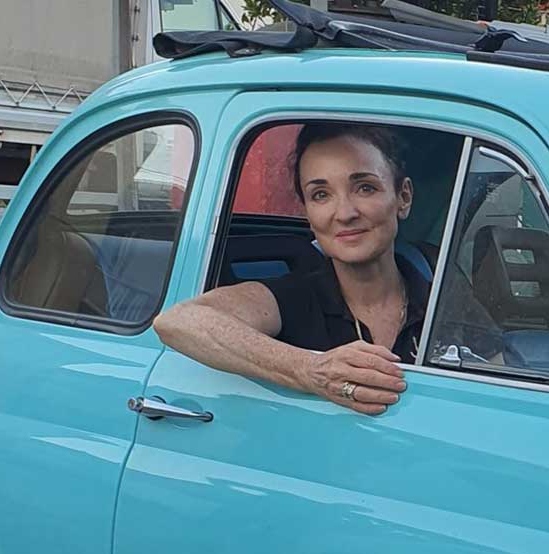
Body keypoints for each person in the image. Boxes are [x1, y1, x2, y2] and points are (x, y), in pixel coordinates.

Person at [155, 122, 430, 416]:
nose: (345, 213)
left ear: (403, 197)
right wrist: (309, 370)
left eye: (365, 187)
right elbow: (178, 321)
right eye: (321, 195)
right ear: (308, 215)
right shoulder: (293, 298)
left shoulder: (443, 300)